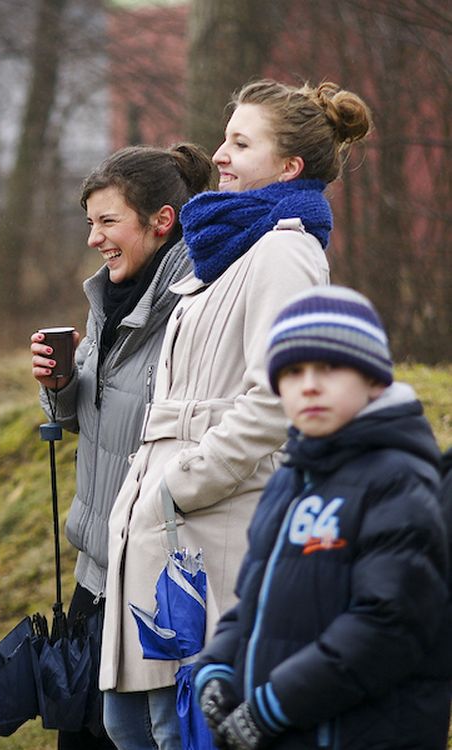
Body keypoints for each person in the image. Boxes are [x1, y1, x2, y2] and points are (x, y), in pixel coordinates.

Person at [100, 80, 372, 750]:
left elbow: (279, 396)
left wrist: (181, 485)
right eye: (226, 138)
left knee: (178, 728)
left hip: (211, 526)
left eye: (241, 144)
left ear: (289, 167)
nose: (219, 155)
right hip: (165, 525)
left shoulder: (285, 252)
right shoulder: (228, 248)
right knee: (129, 723)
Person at [194, 285, 451, 750]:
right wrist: (216, 667)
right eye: (292, 372)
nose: (309, 385)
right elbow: (252, 602)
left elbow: (386, 626)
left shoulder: (398, 479)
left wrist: (272, 706)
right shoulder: (287, 480)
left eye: (329, 368)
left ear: (374, 380)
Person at [30, 142, 213, 749]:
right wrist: (59, 385)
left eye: (108, 221)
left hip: (151, 581)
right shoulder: (108, 298)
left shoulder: (193, 311)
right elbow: (82, 417)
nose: (94, 239)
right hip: (94, 569)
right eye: (91, 223)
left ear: (162, 220)